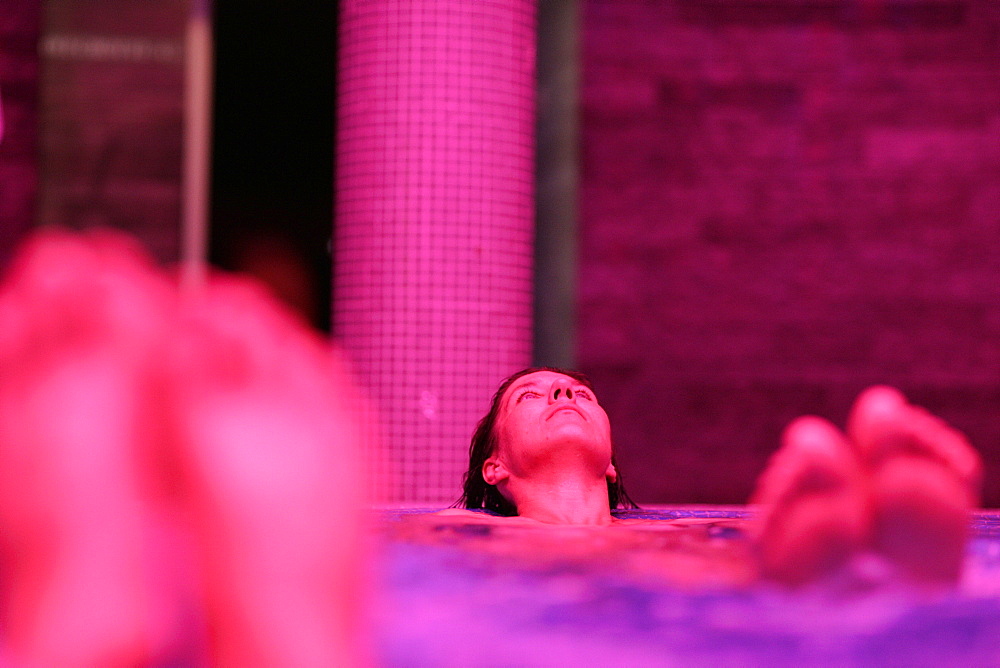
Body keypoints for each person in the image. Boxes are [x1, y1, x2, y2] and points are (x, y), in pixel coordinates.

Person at [446, 367, 982, 588]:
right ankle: (849, 572)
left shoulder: (687, 536)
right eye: (531, 396)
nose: (564, 395)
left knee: (757, 575)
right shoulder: (451, 536)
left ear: (611, 462)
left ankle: (873, 563)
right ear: (494, 467)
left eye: (581, 394)